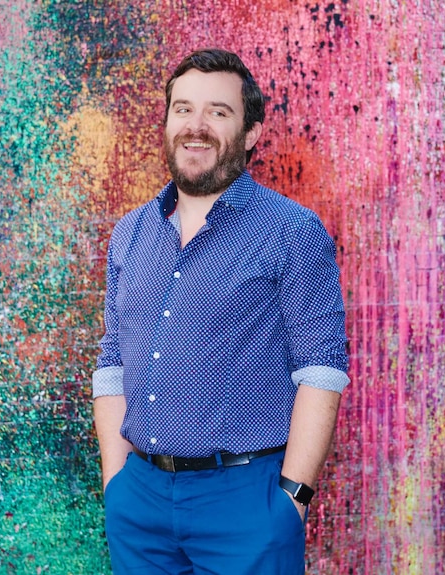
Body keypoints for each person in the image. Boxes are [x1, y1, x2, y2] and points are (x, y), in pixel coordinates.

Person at [92, 48, 349, 575]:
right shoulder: (130, 234)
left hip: (246, 501)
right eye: (183, 108)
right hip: (139, 497)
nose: (196, 125)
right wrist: (116, 485)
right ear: (166, 121)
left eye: (218, 111)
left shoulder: (291, 231)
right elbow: (112, 364)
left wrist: (292, 499)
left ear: (251, 132)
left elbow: (321, 372)